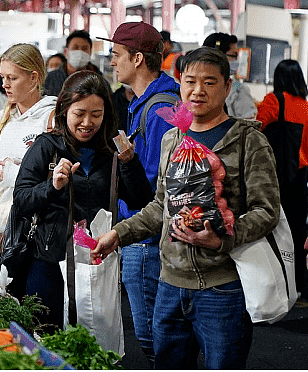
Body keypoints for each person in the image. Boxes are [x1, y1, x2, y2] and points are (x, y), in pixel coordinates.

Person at [93, 46, 280, 369]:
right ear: (180, 83)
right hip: (170, 284)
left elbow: (266, 210)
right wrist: (118, 234)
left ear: (227, 86)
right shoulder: (173, 140)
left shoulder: (248, 141)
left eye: (209, 82)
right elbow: (160, 207)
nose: (198, 90)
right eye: (190, 81)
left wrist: (223, 239)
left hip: (223, 288)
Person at [13, 70, 153, 331]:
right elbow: (21, 200)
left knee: (94, 341)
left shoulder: (113, 152)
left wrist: (129, 163)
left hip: (97, 261)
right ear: (65, 110)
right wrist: (52, 187)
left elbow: (141, 200)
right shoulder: (47, 147)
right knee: (48, 339)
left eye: (96, 115)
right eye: (79, 114)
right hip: (49, 261)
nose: (87, 122)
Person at [105, 21, 180, 366]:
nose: (111, 62)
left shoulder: (161, 109)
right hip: (142, 237)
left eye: (116, 55)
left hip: (148, 242)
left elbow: (155, 192)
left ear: (137, 59)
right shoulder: (149, 103)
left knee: (155, 341)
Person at [0, 43, 57, 238]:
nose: (5, 84)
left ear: (33, 78)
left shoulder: (51, 117)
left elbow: (51, 179)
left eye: (12, 78)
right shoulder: (1, 118)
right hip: (4, 226)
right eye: (3, 77)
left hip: (40, 226)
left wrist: (11, 172)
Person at [256, 59, 308, 299]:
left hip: (276, 177)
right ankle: (298, 283)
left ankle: (275, 285)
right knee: (298, 232)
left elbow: (258, 126)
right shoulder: (306, 107)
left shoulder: (274, 101)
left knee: (271, 231)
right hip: (300, 177)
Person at [203, 32, 257, 119]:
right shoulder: (238, 90)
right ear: (218, 57)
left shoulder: (238, 89)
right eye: (233, 55)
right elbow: (249, 126)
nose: (237, 61)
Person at [43, 30, 109, 97]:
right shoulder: (51, 79)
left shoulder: (100, 82)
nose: (80, 52)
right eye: (75, 48)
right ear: (66, 52)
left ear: (90, 52)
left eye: (84, 48)